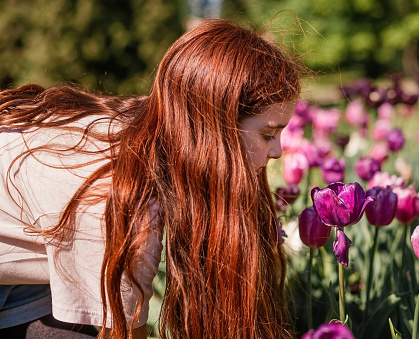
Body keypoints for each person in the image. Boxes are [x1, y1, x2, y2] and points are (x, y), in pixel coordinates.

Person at [0, 18, 302, 338]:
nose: (279, 151)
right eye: (268, 134)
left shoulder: (154, 127)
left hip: (19, 288)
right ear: (214, 130)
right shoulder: (122, 199)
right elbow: (124, 333)